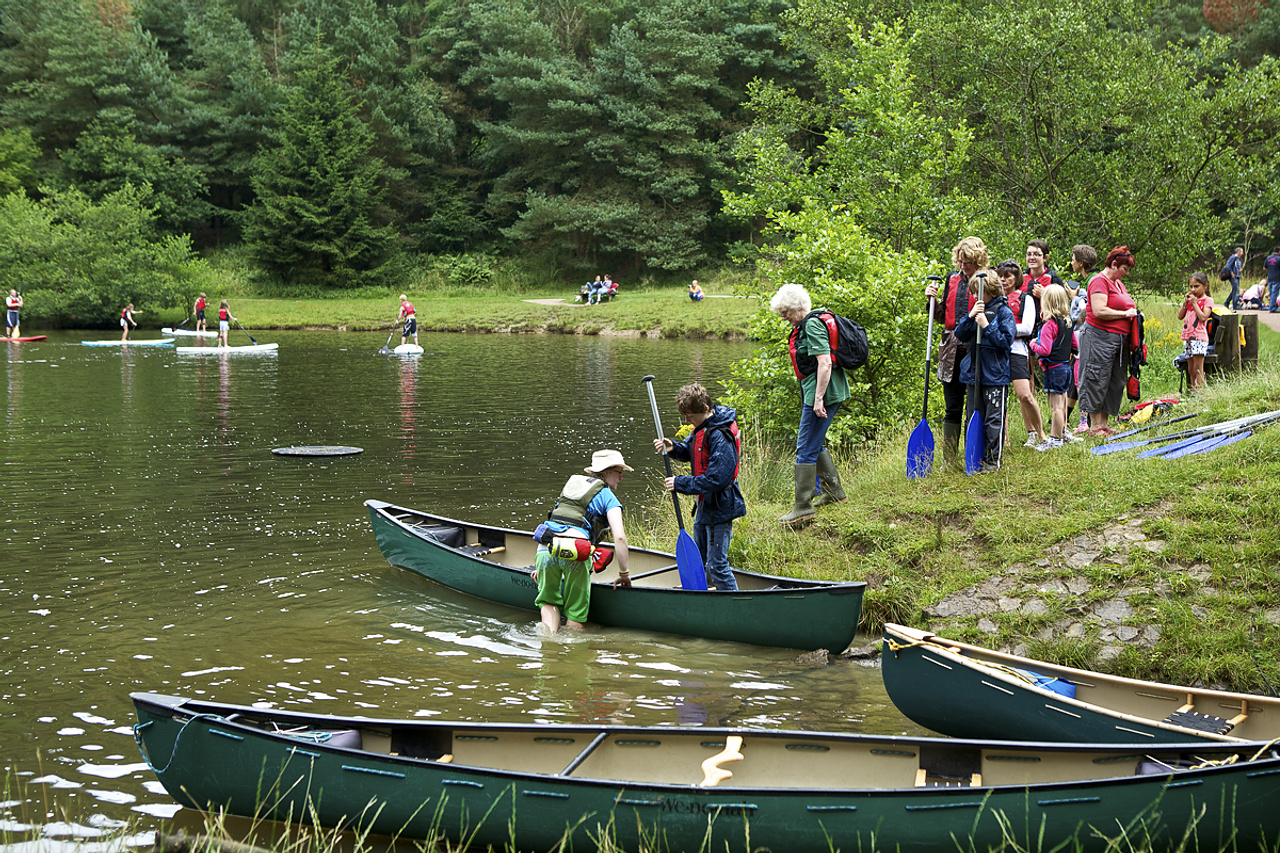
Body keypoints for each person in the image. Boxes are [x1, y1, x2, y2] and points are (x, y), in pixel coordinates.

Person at [771, 283, 851, 527]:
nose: (783, 317)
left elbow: (825, 363)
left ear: (797, 306)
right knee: (814, 443)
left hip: (823, 394)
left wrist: (818, 399)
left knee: (804, 446)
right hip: (818, 393)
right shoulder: (803, 325)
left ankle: (803, 508)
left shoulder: (812, 325)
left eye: (785, 312)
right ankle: (834, 492)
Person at [652, 383, 746, 591]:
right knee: (702, 562)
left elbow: (718, 479)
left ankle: (735, 608)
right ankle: (707, 603)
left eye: (689, 416)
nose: (687, 420)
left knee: (717, 566)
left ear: (705, 409)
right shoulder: (702, 426)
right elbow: (691, 451)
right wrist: (673, 448)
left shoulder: (720, 434)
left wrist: (680, 483)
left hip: (721, 506)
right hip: (704, 505)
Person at [533, 450, 633, 632]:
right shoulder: (608, 496)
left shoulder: (572, 486)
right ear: (607, 471)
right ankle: (572, 654)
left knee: (548, 604)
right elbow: (619, 537)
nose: (621, 478)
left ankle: (548, 648)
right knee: (574, 616)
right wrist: (624, 573)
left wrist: (538, 567)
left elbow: (559, 520)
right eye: (619, 472)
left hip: (545, 550)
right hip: (577, 553)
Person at [924, 237, 986, 468]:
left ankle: (975, 455)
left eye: (968, 262)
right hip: (950, 348)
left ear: (978, 259)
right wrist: (932, 300)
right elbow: (941, 316)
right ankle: (949, 459)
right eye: (960, 261)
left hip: (975, 346)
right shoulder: (952, 279)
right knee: (952, 407)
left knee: (974, 405)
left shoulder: (986, 279)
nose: (963, 266)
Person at [953, 270, 1016, 471]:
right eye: (972, 292)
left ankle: (991, 461)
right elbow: (959, 334)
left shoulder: (1004, 312)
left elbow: (1006, 343)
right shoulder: (975, 311)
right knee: (972, 416)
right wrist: (971, 317)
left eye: (977, 292)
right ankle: (973, 459)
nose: (973, 296)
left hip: (995, 375)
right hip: (974, 374)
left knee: (993, 420)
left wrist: (986, 326)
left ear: (989, 290)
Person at [1076, 246, 1138, 437]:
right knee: (1096, 377)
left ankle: (1103, 423)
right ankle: (1094, 426)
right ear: (1113, 264)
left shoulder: (1118, 283)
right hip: (1098, 337)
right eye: (1124, 269)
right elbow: (1099, 310)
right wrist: (1124, 314)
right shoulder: (1098, 281)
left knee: (1113, 380)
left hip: (1118, 340)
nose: (1126, 274)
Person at [996, 260, 1045, 448]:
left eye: (1008, 276)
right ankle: (1004, 439)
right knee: (1000, 396)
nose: (1003, 279)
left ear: (1016, 278)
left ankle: (1040, 434)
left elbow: (1027, 327)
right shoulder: (994, 298)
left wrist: (1003, 330)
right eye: (1000, 276)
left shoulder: (1026, 298)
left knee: (1025, 395)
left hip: (1017, 350)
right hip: (997, 351)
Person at [1029, 284, 1074, 450]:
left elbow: (1045, 350)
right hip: (1065, 368)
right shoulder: (1067, 322)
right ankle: (1062, 432)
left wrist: (1033, 344)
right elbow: (1074, 345)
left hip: (1053, 370)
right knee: (1062, 403)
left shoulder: (1049, 325)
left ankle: (1055, 440)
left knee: (1056, 407)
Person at [1065, 245, 1098, 438]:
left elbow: (1082, 316)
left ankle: (1087, 421)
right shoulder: (1089, 281)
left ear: (1081, 263)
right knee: (1076, 381)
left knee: (1082, 381)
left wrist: (1075, 299)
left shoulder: (1091, 283)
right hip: (1080, 343)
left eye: (1073, 259)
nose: (1071, 262)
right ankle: (1067, 417)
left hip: (1086, 341)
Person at [1179, 272, 1214, 393]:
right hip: (1188, 337)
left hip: (1199, 337)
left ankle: (1200, 392)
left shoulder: (1208, 300)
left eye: (1196, 286)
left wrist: (1194, 304)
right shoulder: (1190, 301)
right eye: (1191, 286)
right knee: (1191, 368)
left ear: (1205, 286)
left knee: (1198, 367)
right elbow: (1180, 316)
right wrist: (1185, 303)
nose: (1193, 289)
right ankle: (1193, 391)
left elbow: (1203, 317)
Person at [1265, 246, 1280, 313]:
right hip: (1277, 278)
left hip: (1270, 277)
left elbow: (1265, 268)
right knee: (1274, 293)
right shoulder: (1279, 259)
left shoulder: (1268, 258)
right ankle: (1272, 309)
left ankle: (1272, 307)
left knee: (1271, 293)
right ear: (1279, 251)